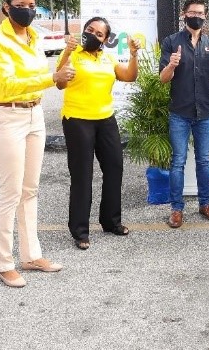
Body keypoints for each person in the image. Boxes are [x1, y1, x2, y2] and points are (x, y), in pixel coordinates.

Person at [0, 0, 74, 287]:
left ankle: (31, 255)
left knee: (30, 189)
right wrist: (51, 78)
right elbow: (7, 83)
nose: (29, 9)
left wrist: (59, 70)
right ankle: (3, 262)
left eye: (33, 4)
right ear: (6, 7)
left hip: (34, 114)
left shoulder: (34, 36)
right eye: (22, 4)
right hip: (7, 116)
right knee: (10, 192)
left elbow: (40, 77)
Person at [56, 17, 141, 250]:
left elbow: (130, 76)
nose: (93, 35)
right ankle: (80, 230)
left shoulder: (107, 58)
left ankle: (111, 221)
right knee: (82, 174)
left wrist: (134, 55)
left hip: (105, 119)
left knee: (114, 167)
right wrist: (67, 51)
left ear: (105, 40)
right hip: (77, 120)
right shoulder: (74, 53)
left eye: (99, 34)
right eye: (89, 30)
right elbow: (60, 83)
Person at [159, 0, 209, 228]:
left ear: (205, 16)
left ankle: (205, 204)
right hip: (179, 113)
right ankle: (176, 209)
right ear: (184, 15)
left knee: (203, 161)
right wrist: (171, 65)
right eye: (193, 12)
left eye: (201, 13)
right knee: (178, 161)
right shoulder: (171, 41)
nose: (198, 16)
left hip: (204, 113)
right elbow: (163, 79)